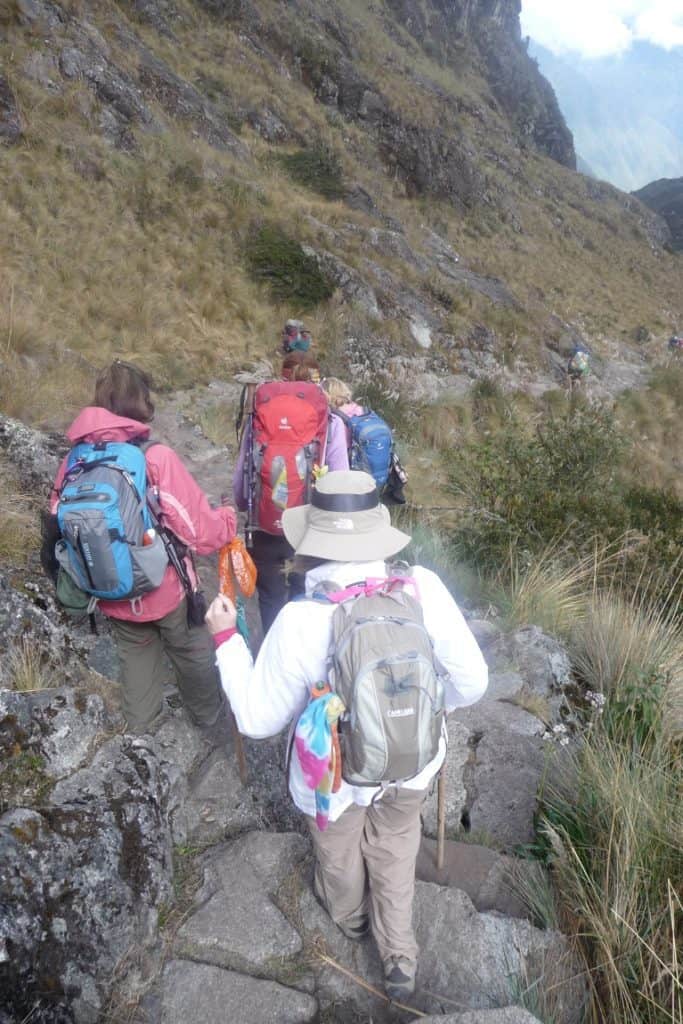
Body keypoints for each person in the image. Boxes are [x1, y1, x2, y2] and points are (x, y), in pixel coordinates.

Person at [205, 470, 488, 1001]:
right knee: (397, 844)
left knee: (337, 854)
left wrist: (226, 639)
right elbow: (473, 683)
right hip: (413, 761)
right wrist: (420, 714)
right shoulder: (421, 587)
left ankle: (352, 920)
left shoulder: (299, 620)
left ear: (312, 540)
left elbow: (256, 720)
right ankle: (400, 955)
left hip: (333, 778)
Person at [49, 360, 237, 734]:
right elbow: (199, 533)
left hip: (110, 592)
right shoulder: (154, 457)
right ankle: (209, 720)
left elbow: (57, 518)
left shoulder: (74, 461)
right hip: (166, 592)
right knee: (193, 652)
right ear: (142, 403)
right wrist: (229, 519)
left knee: (135, 659)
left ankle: (143, 737)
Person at [233, 356, 349, 634]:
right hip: (310, 527)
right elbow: (340, 483)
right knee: (307, 595)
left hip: (264, 522)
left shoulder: (260, 418)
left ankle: (275, 655)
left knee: (271, 597)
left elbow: (241, 479)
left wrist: (247, 508)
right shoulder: (331, 424)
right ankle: (305, 661)